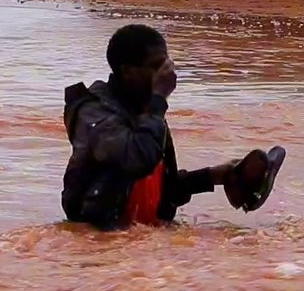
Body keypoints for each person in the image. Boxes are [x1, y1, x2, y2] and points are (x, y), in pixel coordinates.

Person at [62, 24, 283, 230]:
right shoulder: (93, 112)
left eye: (166, 66)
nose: (166, 75)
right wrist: (159, 100)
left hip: (141, 235)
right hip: (99, 237)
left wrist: (214, 176)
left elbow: (162, 189)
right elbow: (137, 159)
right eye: (156, 67)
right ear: (127, 71)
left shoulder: (146, 111)